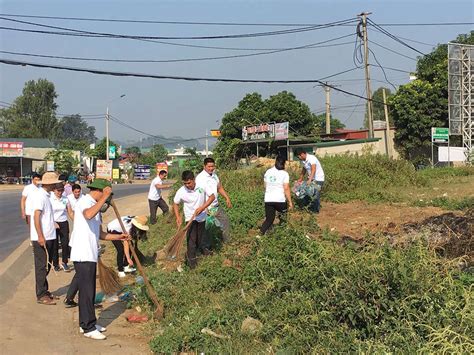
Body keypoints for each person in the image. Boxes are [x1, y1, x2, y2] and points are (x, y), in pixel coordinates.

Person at [68, 178, 129, 340]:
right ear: (99, 191)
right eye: (106, 195)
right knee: (87, 292)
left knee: (88, 291)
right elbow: (87, 214)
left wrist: (119, 236)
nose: (107, 200)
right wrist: (104, 197)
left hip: (91, 253)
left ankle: (87, 323)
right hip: (83, 253)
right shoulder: (84, 202)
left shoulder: (96, 209)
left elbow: (100, 234)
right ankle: (88, 327)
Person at [30, 172, 62, 305]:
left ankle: (44, 290)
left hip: (49, 235)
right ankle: (41, 294)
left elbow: (45, 216)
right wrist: (40, 236)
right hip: (42, 237)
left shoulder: (46, 196)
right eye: (54, 182)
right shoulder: (40, 196)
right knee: (42, 266)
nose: (56, 184)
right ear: (49, 184)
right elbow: (36, 216)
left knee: (47, 265)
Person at [173, 170, 215, 269]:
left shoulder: (202, 185)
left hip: (201, 216)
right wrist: (178, 217)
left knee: (199, 238)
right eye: (185, 183)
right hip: (190, 218)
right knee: (191, 240)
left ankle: (201, 250)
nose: (187, 185)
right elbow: (175, 203)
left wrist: (202, 207)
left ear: (194, 180)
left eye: (189, 183)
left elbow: (212, 197)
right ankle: (192, 263)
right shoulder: (181, 191)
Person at [195, 157, 232, 242]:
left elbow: (219, 188)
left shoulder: (214, 175)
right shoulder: (200, 178)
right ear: (204, 166)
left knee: (225, 220)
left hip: (216, 205)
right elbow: (199, 194)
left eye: (213, 166)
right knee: (207, 228)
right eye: (209, 166)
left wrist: (227, 198)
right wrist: (204, 207)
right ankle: (205, 247)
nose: (211, 168)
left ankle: (227, 241)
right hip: (207, 208)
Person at [258, 156, 293, 236]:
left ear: (275, 162)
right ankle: (282, 236)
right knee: (283, 219)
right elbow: (286, 188)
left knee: (269, 220)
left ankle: (259, 236)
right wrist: (290, 202)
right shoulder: (284, 174)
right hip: (280, 200)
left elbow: (265, 186)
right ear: (284, 164)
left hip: (268, 199)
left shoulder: (268, 172)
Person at [50, 183, 73, 272]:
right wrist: (53, 222)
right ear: (54, 190)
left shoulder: (65, 199)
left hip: (63, 222)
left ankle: (65, 262)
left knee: (65, 243)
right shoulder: (50, 199)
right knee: (55, 245)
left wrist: (76, 219)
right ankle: (55, 264)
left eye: (61, 190)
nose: (60, 192)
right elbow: (47, 213)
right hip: (53, 223)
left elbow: (69, 211)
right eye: (58, 190)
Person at [295, 148, 325, 213]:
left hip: (318, 179)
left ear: (302, 154)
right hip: (312, 179)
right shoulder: (304, 160)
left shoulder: (312, 158)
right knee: (308, 193)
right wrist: (300, 178)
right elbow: (304, 170)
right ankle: (309, 208)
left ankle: (315, 211)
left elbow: (313, 169)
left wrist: (310, 179)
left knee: (315, 194)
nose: (299, 158)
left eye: (299, 156)